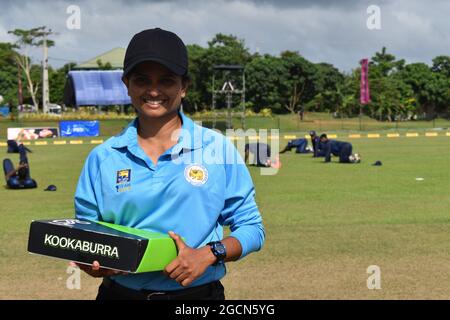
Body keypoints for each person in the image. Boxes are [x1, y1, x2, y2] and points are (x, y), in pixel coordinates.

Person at [74, 28, 265, 300]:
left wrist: (209, 254)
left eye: (166, 80)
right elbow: (88, 234)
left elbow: (252, 229)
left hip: (197, 297)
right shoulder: (103, 157)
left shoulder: (216, 148)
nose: (154, 91)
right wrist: (91, 261)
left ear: (183, 86)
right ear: (126, 83)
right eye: (142, 80)